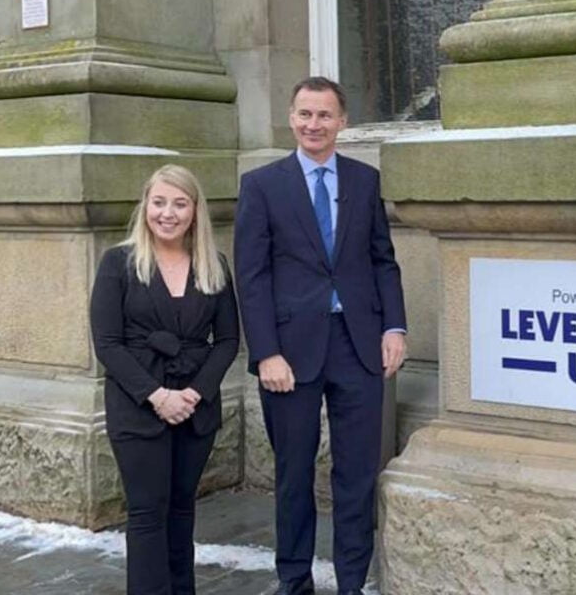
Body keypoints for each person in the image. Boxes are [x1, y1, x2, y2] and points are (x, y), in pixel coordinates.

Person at [235, 76, 407, 595]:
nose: (315, 125)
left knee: (356, 475)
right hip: (289, 354)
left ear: (342, 122)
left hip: (358, 346)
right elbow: (252, 275)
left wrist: (394, 326)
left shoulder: (364, 180)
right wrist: (265, 352)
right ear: (291, 118)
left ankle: (353, 582)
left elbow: (383, 261)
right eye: (306, 114)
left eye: (325, 115)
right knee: (293, 474)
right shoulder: (262, 185)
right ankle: (295, 581)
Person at [89, 164, 240, 595]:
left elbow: (228, 340)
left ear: (195, 211)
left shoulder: (215, 265)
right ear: (145, 206)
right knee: (147, 514)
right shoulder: (118, 262)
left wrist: (192, 393)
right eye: (159, 202)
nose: (167, 213)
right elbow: (108, 343)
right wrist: (157, 396)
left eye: (179, 203)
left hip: (195, 409)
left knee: (181, 511)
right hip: (138, 406)